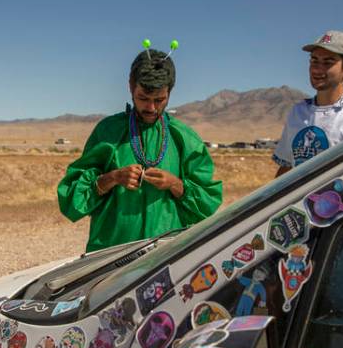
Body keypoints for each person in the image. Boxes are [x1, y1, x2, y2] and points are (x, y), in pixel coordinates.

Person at [57, 45, 223, 252]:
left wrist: (175, 184)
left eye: (159, 100)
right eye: (143, 98)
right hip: (111, 254)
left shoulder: (185, 139)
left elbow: (207, 204)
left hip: (165, 255)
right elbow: (73, 199)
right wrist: (113, 178)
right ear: (130, 87)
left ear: (170, 92)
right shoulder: (108, 133)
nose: (151, 108)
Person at [273, 30, 343, 177]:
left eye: (327, 62)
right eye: (314, 60)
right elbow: (286, 168)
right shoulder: (298, 112)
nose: (317, 69)